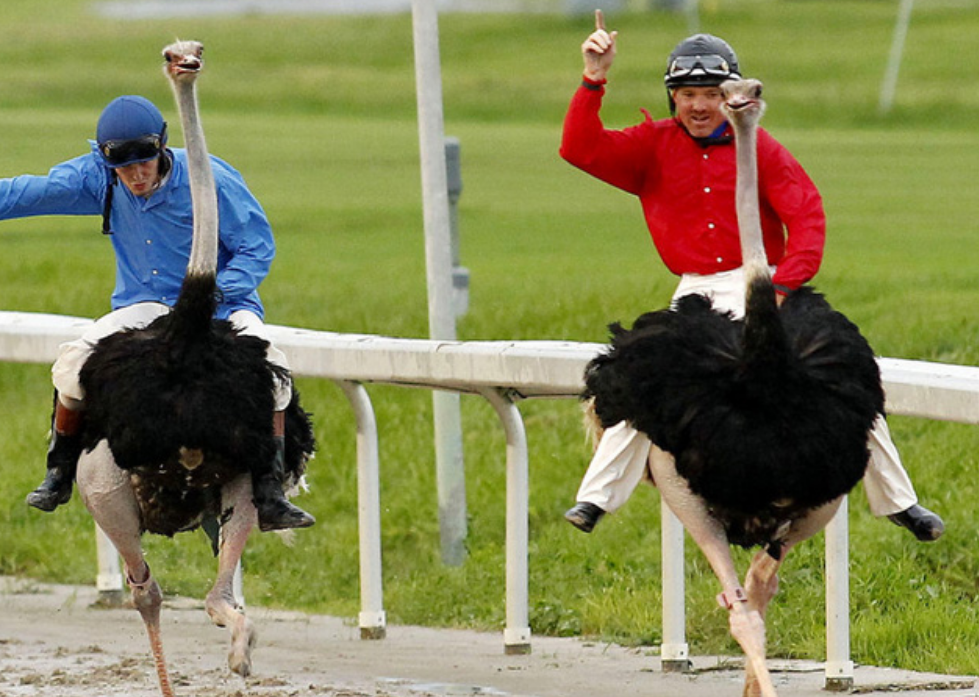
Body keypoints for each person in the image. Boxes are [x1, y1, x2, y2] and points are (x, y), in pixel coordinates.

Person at [559, 11, 943, 542]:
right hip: (696, 288)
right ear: (672, 96)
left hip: (763, 280)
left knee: (844, 374)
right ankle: (598, 496)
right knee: (643, 373)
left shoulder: (758, 147)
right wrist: (593, 78)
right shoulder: (652, 145)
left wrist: (784, 286)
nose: (699, 105)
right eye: (688, 94)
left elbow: (807, 213)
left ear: (730, 95)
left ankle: (900, 500)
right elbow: (580, 148)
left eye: (711, 93)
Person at [0, 94, 314, 532]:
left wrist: (209, 294)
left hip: (221, 306)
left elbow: (257, 247)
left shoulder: (210, 178)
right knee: (71, 364)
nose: (135, 176)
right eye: (123, 168)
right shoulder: (100, 177)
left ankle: (270, 491)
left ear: (162, 149)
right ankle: (59, 471)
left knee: (274, 370)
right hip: (142, 306)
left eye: (144, 163)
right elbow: (27, 194)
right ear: (107, 160)